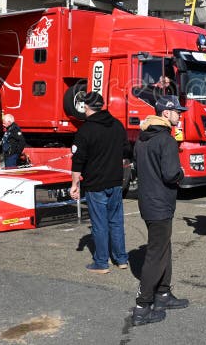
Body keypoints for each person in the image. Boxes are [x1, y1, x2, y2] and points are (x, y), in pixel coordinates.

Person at [131, 95, 189, 326]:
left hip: (148, 200)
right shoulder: (164, 139)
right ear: (166, 113)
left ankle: (163, 293)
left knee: (163, 247)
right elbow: (171, 173)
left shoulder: (142, 138)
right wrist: (181, 172)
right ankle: (142, 306)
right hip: (160, 202)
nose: (180, 114)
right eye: (177, 111)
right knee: (156, 253)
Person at [70, 91, 131, 274]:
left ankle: (101, 262)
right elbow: (126, 152)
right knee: (116, 222)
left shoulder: (85, 130)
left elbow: (78, 161)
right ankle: (121, 259)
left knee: (100, 224)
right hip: (115, 181)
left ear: (86, 107)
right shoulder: (117, 125)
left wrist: (74, 185)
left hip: (95, 183)